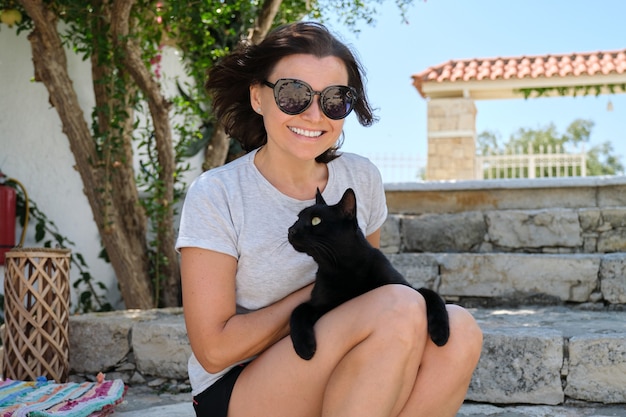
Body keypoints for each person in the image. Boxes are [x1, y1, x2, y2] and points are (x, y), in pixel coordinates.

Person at [176, 21, 483, 417]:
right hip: (240, 388)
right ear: (257, 96)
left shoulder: (360, 179)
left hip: (331, 357)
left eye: (335, 99)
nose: (314, 114)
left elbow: (369, 298)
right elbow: (214, 352)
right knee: (398, 307)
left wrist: (352, 292)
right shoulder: (217, 194)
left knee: (458, 329)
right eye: (293, 94)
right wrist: (321, 291)